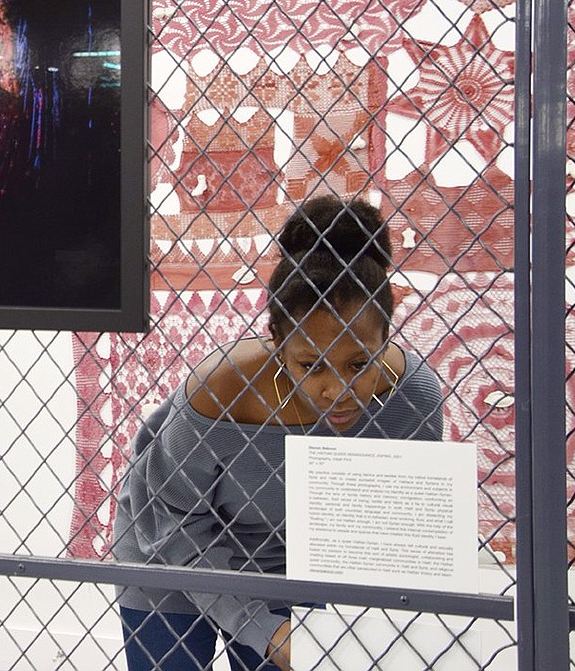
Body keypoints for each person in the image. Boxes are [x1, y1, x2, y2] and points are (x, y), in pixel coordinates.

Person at [112, 195, 444, 671]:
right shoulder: (222, 389)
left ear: (386, 338)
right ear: (277, 343)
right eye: (311, 366)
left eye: (359, 363)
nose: (338, 390)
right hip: (170, 554)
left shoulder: (413, 401)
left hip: (294, 566)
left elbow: (401, 541)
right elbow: (170, 520)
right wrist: (263, 629)